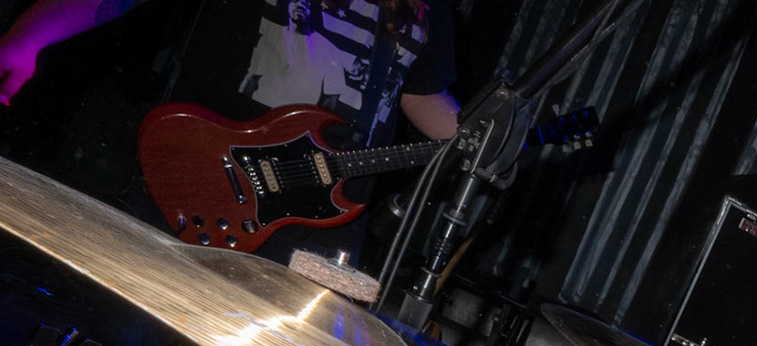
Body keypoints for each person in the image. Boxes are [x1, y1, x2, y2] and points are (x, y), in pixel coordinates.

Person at [0, 0, 458, 259]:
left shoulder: (428, 6)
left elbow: (419, 93)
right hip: (206, 179)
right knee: (130, 344)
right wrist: (28, 38)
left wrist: (486, 138)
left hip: (323, 218)